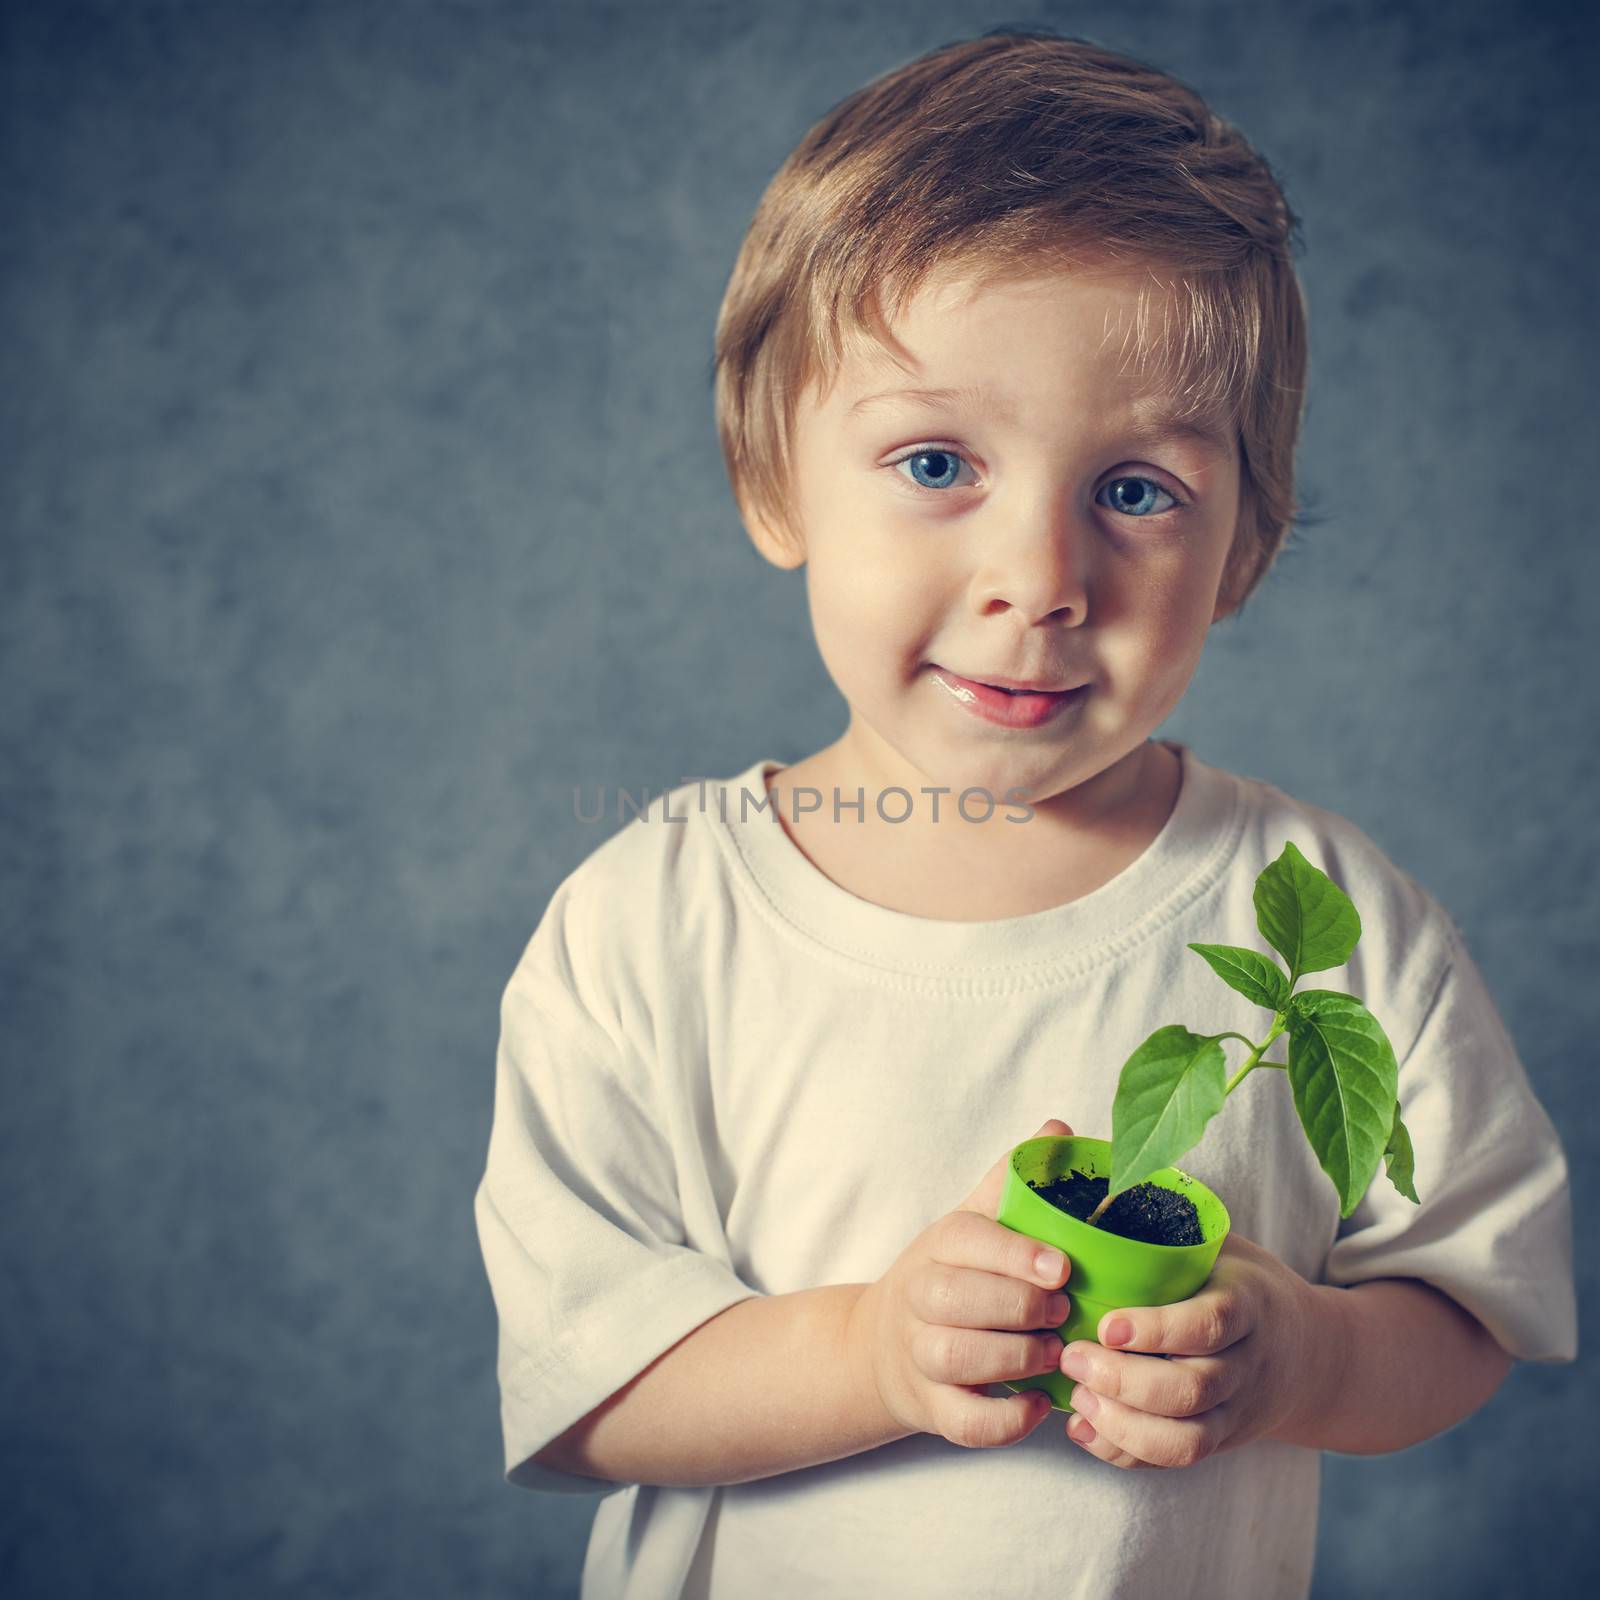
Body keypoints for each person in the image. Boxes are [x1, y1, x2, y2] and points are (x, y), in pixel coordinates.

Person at [473, 27, 1578, 1599]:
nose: (1044, 582)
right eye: (937, 461)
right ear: (772, 477)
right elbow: (585, 1391)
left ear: (1244, 547)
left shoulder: (1321, 920)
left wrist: (1307, 1356)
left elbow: (1473, 1305)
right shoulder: (652, 921)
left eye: (1137, 491)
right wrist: (871, 1350)